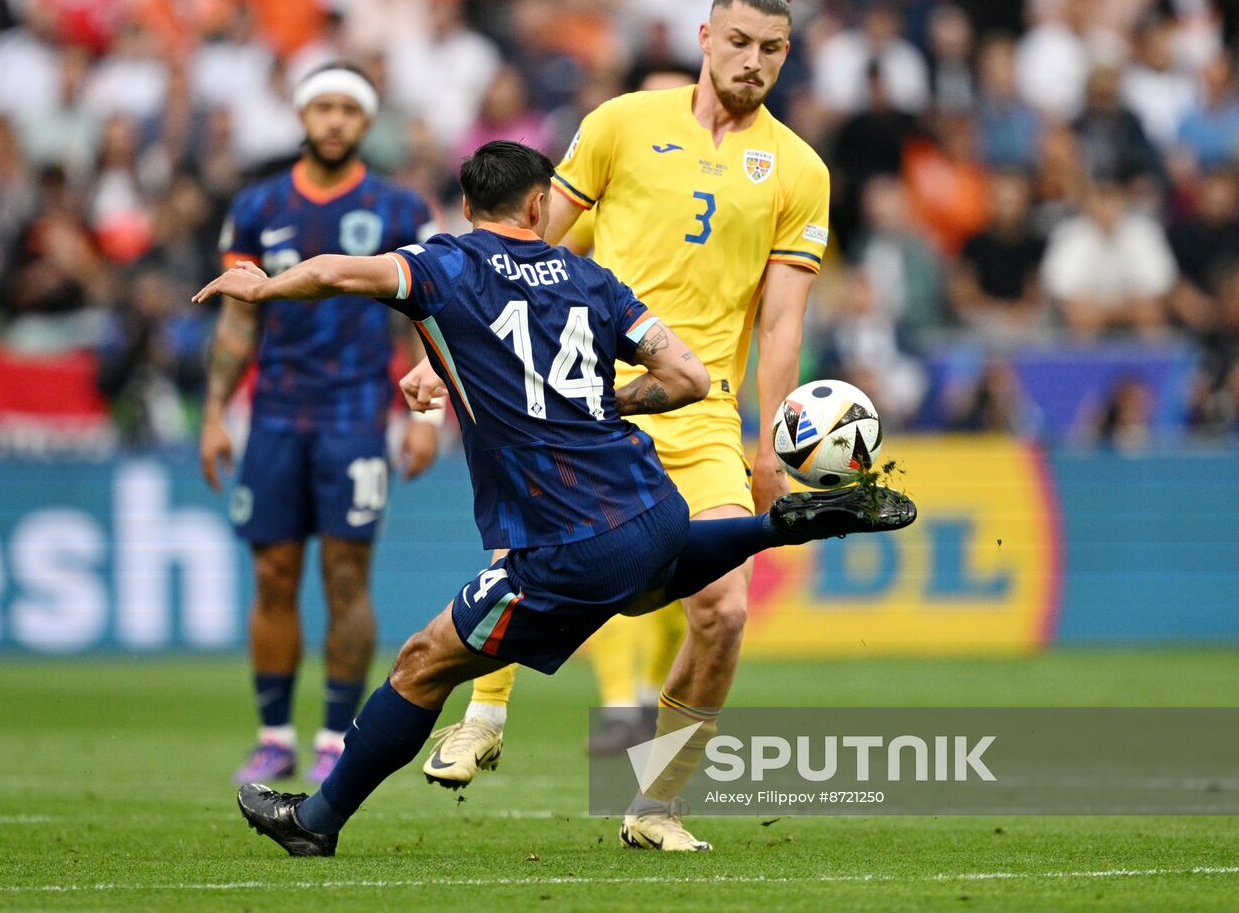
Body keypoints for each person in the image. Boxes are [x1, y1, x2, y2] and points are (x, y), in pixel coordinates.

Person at [192, 140, 917, 858]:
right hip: (654, 507)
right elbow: (690, 378)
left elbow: (336, 273)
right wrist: (605, 402)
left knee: (423, 660)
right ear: (540, 206)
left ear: (470, 206)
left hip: (563, 542)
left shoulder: (444, 263)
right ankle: (781, 526)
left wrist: (263, 288)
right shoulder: (592, 279)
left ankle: (315, 819)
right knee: (642, 584)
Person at [403, 0, 830, 851]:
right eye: (741, 42)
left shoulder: (798, 169)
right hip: (584, 402)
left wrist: (776, 445)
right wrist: (445, 368)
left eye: (774, 51)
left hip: (702, 410)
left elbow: (783, 319)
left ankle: (655, 803)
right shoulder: (621, 124)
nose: (754, 62)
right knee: (534, 562)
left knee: (725, 612)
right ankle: (482, 713)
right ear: (704, 38)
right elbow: (512, 262)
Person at [199, 63, 441, 786]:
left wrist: (425, 415)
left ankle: (335, 733)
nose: (333, 120)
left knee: (346, 574)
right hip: (274, 413)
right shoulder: (257, 206)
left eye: (347, 109)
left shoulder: (400, 209)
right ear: (303, 116)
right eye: (321, 107)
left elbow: (424, 314)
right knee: (273, 574)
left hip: (357, 414)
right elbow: (239, 319)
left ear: (365, 122)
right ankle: (274, 733)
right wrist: (215, 411)